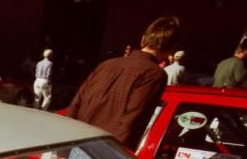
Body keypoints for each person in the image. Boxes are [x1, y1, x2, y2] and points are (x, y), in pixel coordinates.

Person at [66, 16, 181, 151]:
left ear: (143, 39)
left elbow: (76, 105)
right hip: (105, 153)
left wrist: (64, 150)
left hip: (78, 144)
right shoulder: (155, 74)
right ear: (172, 48)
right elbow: (132, 119)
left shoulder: (106, 65)